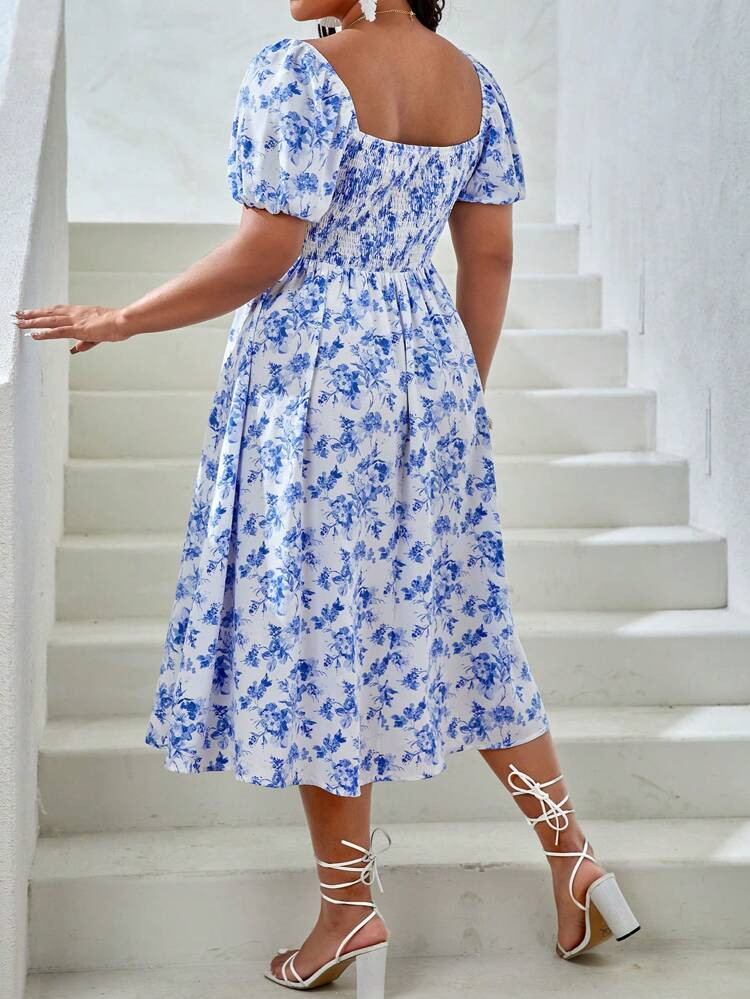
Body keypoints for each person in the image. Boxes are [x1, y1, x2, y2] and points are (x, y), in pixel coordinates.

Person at [15, 2, 640, 994]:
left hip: (314, 377)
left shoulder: (298, 73)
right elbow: (490, 257)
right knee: (467, 621)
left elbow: (268, 252)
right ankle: (575, 860)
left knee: (319, 631)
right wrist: (453, 399)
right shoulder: (475, 83)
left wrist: (124, 317)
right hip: (431, 368)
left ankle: (349, 912)